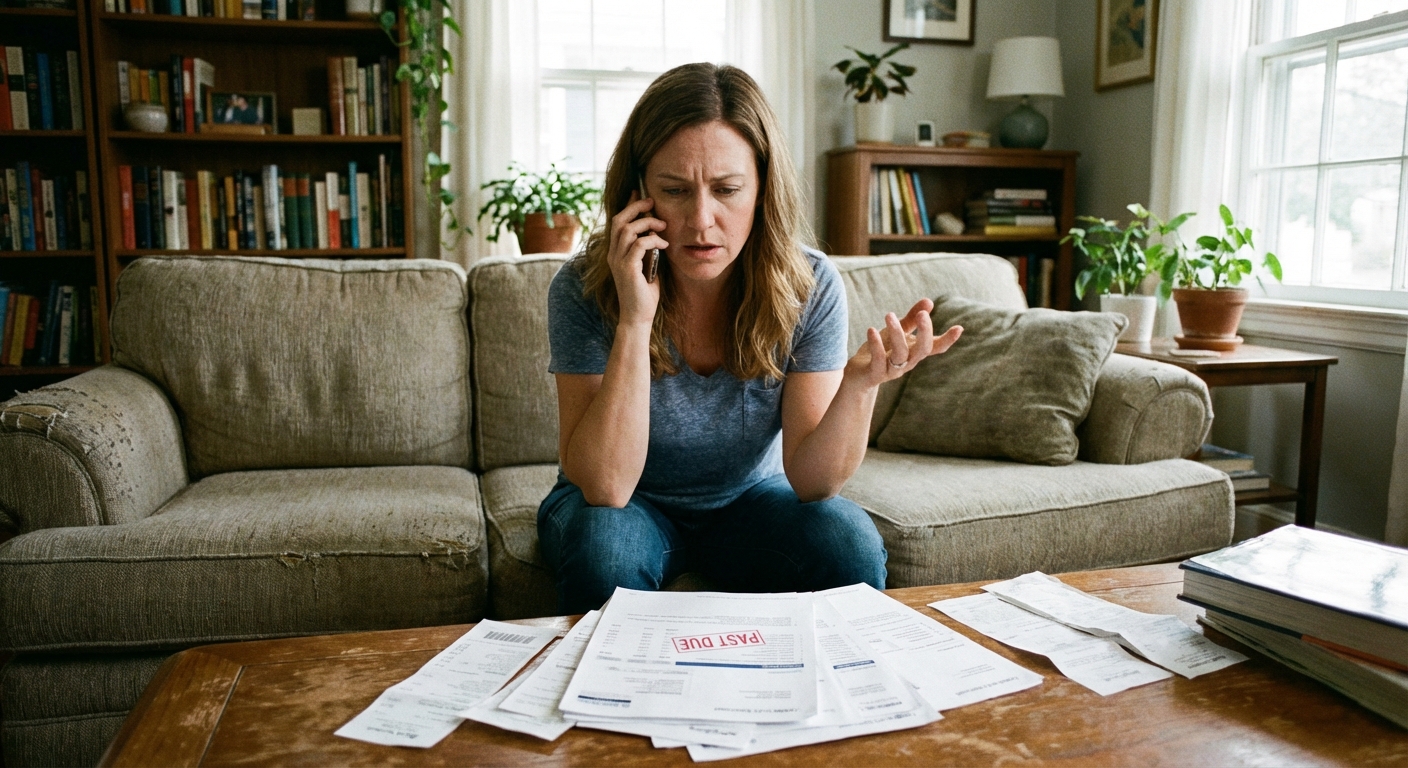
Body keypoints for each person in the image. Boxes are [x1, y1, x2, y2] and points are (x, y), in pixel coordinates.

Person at [539, 62, 962, 614]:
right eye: (674, 190)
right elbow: (605, 486)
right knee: (604, 552)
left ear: (762, 188)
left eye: (727, 189)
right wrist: (635, 320)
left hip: (748, 504)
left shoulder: (809, 286)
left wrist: (859, 385)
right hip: (621, 505)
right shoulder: (583, 287)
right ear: (639, 193)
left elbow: (812, 484)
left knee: (847, 542)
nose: (701, 220)